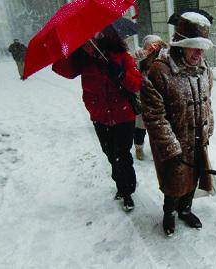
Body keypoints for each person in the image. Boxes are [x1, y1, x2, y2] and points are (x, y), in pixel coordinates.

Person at [52, 25, 142, 212]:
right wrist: (67, 49)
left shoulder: (121, 56)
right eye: (83, 44)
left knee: (122, 155)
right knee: (110, 154)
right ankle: (120, 185)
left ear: (102, 38)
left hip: (123, 115)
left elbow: (136, 84)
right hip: (100, 117)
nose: (88, 46)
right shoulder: (82, 61)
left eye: (91, 41)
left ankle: (127, 192)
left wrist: (121, 73)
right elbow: (61, 69)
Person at [142, 12, 216, 237]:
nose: (199, 53)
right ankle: (170, 214)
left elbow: (207, 103)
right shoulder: (160, 71)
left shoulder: (204, 70)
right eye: (194, 47)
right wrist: (172, 147)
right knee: (174, 183)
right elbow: (154, 116)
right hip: (174, 144)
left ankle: (185, 210)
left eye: (202, 48)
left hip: (197, 140)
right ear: (181, 45)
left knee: (193, 179)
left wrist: (208, 127)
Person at [132, 35, 168, 160]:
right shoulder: (140, 58)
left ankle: (158, 148)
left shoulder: (162, 58)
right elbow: (131, 69)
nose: (154, 48)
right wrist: (137, 58)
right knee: (140, 127)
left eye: (156, 45)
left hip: (158, 99)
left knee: (158, 127)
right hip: (142, 98)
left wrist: (165, 46)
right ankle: (139, 148)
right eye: (151, 45)